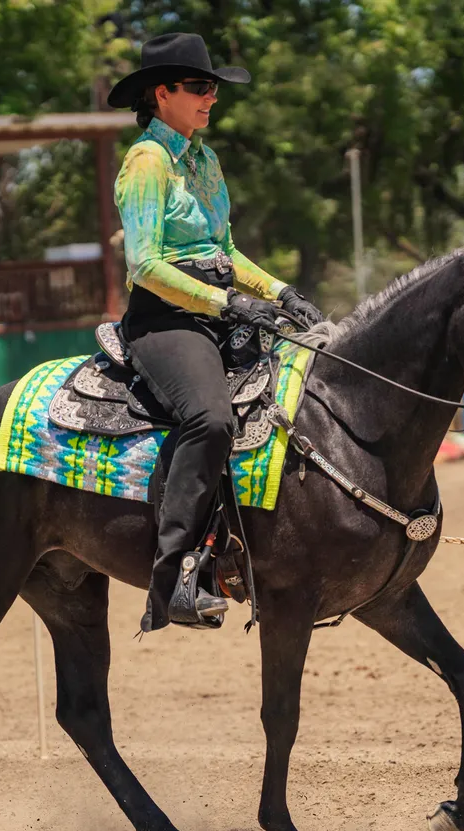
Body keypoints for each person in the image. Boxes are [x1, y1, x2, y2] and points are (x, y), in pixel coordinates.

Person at [108, 32, 325, 633]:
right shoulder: (147, 162)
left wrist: (278, 292)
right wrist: (224, 301)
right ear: (162, 94)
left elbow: (225, 251)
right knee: (211, 418)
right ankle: (176, 573)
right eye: (201, 88)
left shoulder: (205, 160)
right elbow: (145, 265)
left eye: (213, 89)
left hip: (219, 311)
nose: (212, 99)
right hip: (166, 319)